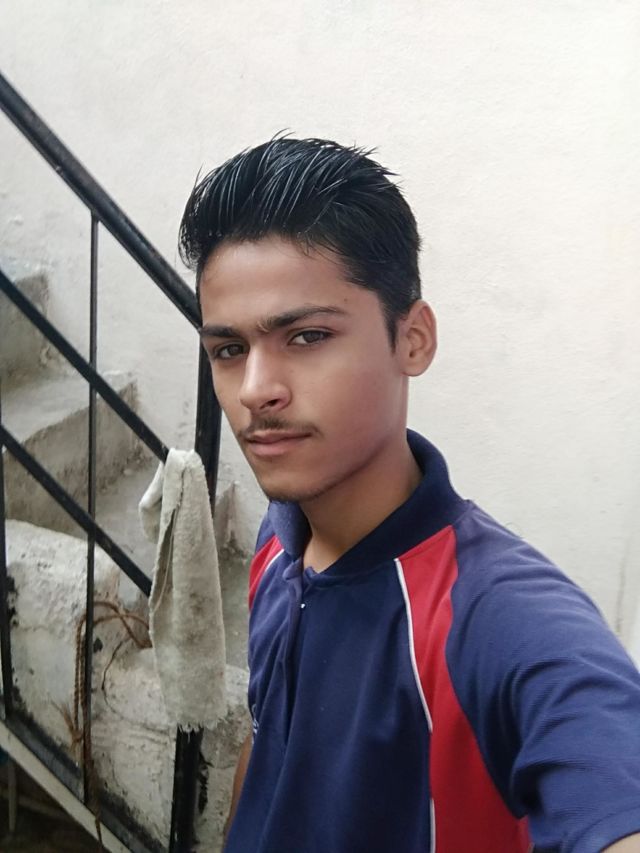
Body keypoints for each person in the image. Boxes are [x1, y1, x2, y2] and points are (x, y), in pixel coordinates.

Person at [179, 138, 640, 853]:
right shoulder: (280, 538)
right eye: (229, 350)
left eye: (306, 336)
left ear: (414, 340)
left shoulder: (496, 618)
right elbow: (270, 741)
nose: (255, 390)